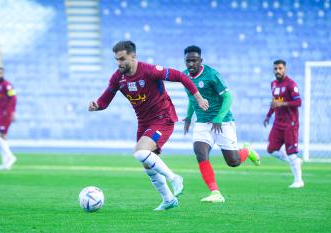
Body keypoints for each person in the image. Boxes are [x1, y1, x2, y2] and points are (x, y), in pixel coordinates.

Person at [88, 41, 209, 210]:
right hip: (144, 122)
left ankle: (174, 178)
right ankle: (168, 200)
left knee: (140, 152)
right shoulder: (118, 77)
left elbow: (181, 76)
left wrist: (199, 98)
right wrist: (97, 106)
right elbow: (105, 100)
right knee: (147, 163)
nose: (119, 63)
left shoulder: (150, 71)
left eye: (122, 59)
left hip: (163, 118)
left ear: (133, 56)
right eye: (116, 59)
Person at [183, 45, 260, 203]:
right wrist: (189, 116)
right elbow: (192, 98)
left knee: (233, 161)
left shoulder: (211, 75)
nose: (191, 64)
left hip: (222, 122)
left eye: (194, 61)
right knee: (200, 152)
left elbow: (228, 97)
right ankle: (215, 192)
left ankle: (247, 151)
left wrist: (219, 117)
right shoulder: (185, 77)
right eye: (188, 61)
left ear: (200, 61)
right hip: (203, 123)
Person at [263, 60, 303, 188]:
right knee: (270, 150)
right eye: (275, 69)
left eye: (280, 68)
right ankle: (296, 161)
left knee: (291, 152)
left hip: (290, 123)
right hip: (278, 123)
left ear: (285, 69)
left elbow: (298, 102)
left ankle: (299, 181)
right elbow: (275, 101)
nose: (277, 71)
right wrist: (269, 115)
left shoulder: (291, 84)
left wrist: (283, 104)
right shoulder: (273, 84)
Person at [0, 67, 17, 170]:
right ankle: (5, 163)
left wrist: (12, 112)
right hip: (0, 113)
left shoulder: (7, 85)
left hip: (6, 113)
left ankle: (11, 157)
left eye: (1, 73)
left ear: (3, 74)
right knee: (3, 137)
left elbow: (14, 98)